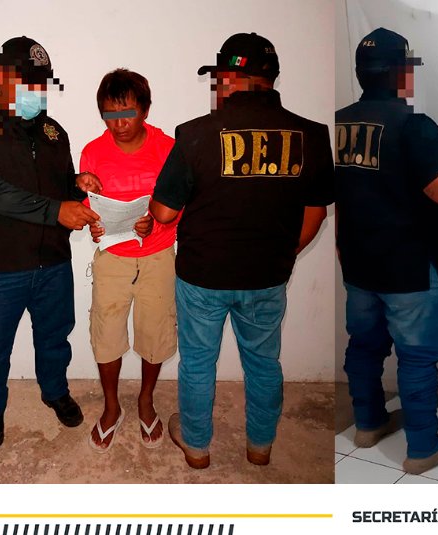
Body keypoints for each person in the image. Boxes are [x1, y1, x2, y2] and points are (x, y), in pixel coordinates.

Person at [150, 32, 334, 469]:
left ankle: (197, 447)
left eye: (218, 78)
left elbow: (163, 212)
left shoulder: (195, 133)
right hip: (268, 274)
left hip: (203, 276)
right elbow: (316, 212)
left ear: (231, 78)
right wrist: (284, 254)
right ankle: (260, 447)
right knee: (264, 363)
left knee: (198, 362)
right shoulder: (311, 134)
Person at [335, 27, 438, 475]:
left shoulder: (341, 122)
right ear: (403, 74)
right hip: (410, 268)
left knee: (364, 347)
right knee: (417, 359)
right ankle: (423, 448)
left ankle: (368, 424)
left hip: (359, 264)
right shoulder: (414, 126)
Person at [0, 36, 101, 449]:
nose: (36, 90)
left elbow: (58, 187)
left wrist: (78, 186)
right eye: (27, 81)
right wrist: (57, 211)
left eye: (41, 82)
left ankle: (55, 391)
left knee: (55, 338)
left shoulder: (53, 131)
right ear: (3, 75)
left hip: (53, 263)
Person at [78, 68, 177, 452]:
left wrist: (158, 220)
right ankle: (111, 406)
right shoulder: (93, 151)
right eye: (109, 114)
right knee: (106, 335)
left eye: (127, 114)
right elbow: (89, 205)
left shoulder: (168, 148)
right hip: (113, 257)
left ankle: (145, 400)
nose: (118, 124)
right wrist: (94, 225)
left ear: (145, 110)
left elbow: (181, 201)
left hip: (157, 254)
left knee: (155, 333)